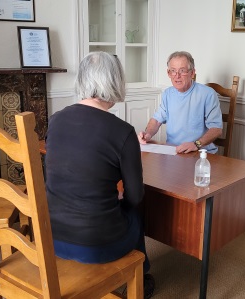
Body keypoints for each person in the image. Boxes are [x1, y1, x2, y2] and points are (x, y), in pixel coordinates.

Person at [45, 52, 155, 298]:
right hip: (97, 244)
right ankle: (141, 277)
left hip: (51, 235)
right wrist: (119, 204)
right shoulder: (123, 132)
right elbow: (135, 196)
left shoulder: (56, 120)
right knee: (134, 214)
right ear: (115, 82)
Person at [138, 51, 223, 154]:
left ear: (192, 73)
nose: (177, 76)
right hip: (173, 151)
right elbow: (156, 120)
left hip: (200, 153)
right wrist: (148, 134)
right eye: (173, 71)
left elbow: (217, 129)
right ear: (168, 73)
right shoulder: (167, 93)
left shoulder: (208, 94)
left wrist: (196, 144)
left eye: (182, 71)